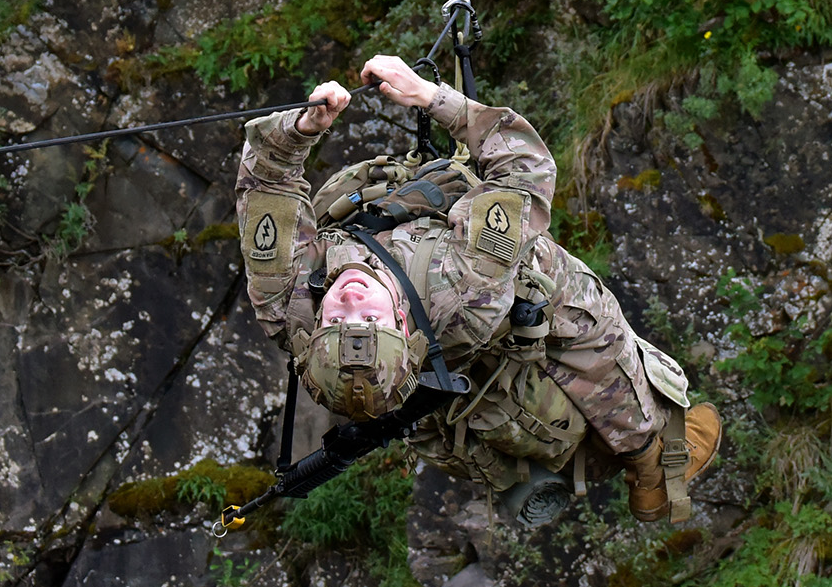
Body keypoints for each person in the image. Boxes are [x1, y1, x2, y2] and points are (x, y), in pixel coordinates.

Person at [235, 54, 721, 523]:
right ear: (403, 325)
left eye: (337, 318)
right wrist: (432, 97)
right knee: (554, 282)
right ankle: (653, 459)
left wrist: (298, 129)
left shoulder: (289, 305)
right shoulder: (462, 284)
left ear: (313, 329)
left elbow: (265, 181)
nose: (352, 298)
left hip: (435, 369)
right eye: (370, 320)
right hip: (479, 314)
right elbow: (524, 170)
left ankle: (627, 459)